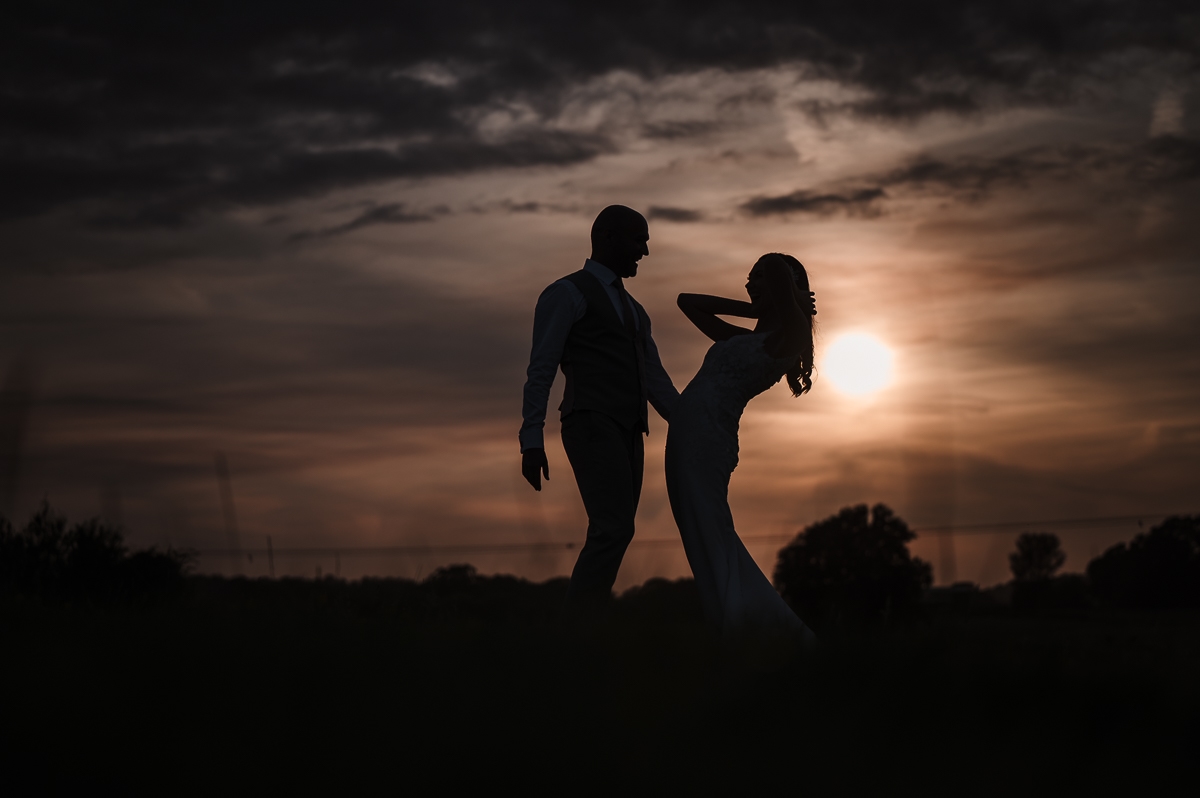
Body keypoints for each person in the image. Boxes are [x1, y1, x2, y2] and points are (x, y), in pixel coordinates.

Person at [519, 206, 680, 613]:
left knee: (618, 530)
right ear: (608, 238)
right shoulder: (567, 293)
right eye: (638, 240)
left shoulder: (636, 312)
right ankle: (578, 631)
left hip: (629, 430)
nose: (644, 251)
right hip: (590, 421)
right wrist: (531, 440)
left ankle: (584, 626)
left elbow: (656, 381)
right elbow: (541, 368)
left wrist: (693, 424)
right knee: (612, 527)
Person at [666, 253, 818, 647]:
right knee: (700, 529)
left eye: (758, 278)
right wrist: (754, 305)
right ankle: (733, 621)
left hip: (708, 436)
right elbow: (687, 301)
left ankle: (746, 627)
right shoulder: (741, 338)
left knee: (711, 528)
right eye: (748, 278)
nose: (749, 283)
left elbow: (781, 276)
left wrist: (787, 291)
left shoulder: (791, 335)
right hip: (687, 432)